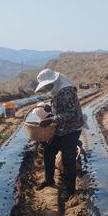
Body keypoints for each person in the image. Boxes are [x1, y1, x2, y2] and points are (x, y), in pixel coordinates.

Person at [34, 68, 84, 201]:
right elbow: (61, 107)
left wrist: (51, 119)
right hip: (61, 126)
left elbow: (71, 113)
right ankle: (49, 180)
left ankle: (69, 190)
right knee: (49, 150)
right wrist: (51, 108)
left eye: (46, 85)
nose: (46, 88)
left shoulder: (66, 90)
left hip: (72, 128)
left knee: (68, 159)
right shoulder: (57, 87)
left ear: (53, 81)